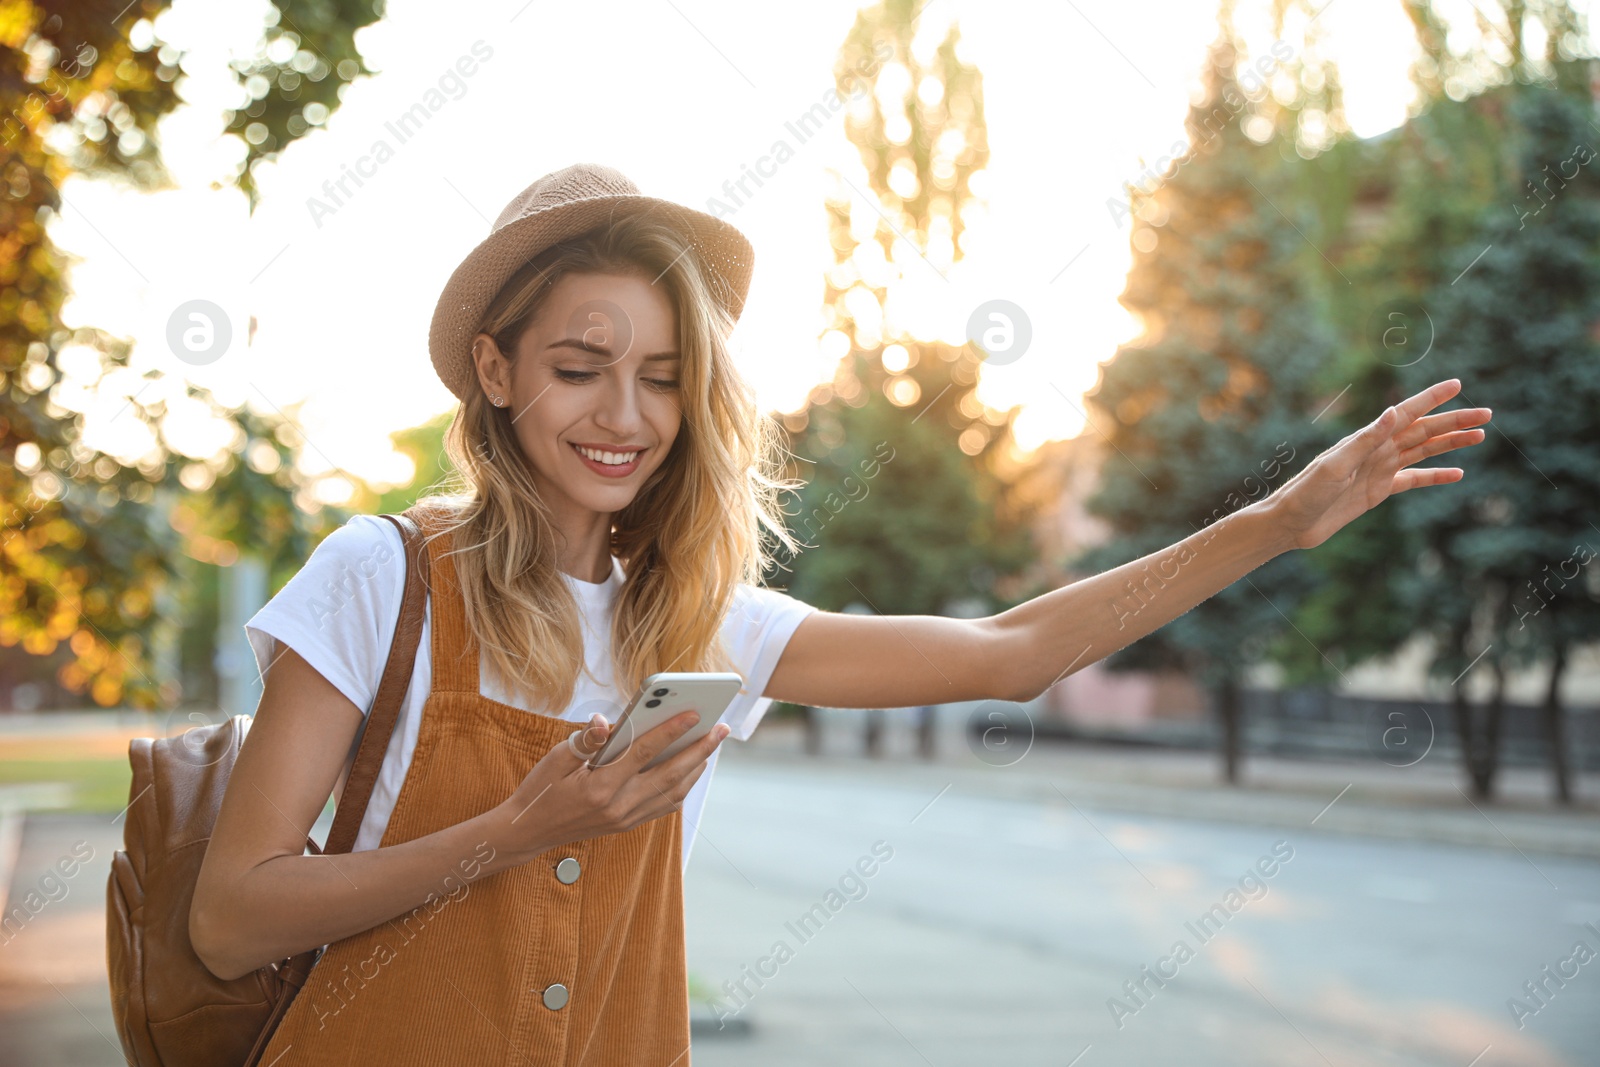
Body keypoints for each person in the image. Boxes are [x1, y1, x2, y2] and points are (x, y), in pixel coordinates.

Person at [188, 162, 1491, 1065]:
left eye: (662, 376)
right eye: (579, 369)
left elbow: (1013, 651)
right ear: (496, 368)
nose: (626, 417)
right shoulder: (380, 578)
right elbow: (233, 915)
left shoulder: (700, 623)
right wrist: (521, 831)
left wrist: (1278, 520)